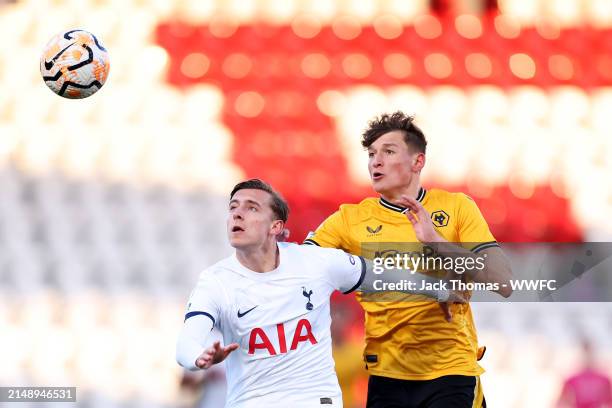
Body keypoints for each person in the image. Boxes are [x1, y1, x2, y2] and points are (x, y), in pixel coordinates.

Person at [176, 179, 463, 408]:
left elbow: (379, 275)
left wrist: (439, 289)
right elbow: (188, 340)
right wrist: (198, 357)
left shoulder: (316, 263)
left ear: (276, 227)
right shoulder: (215, 282)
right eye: (233, 207)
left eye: (251, 207)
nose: (236, 213)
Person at [303, 112, 513, 408]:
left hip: (450, 371)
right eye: (372, 154)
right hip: (386, 375)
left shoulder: (456, 207)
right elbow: (300, 267)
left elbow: (503, 281)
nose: (376, 161)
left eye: (388, 152)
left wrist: (436, 242)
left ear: (417, 162)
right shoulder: (349, 219)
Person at [557, 339, 612, 408]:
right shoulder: (572, 378)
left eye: (590, 352)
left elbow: (609, 401)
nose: (588, 356)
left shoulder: (603, 378)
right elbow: (561, 401)